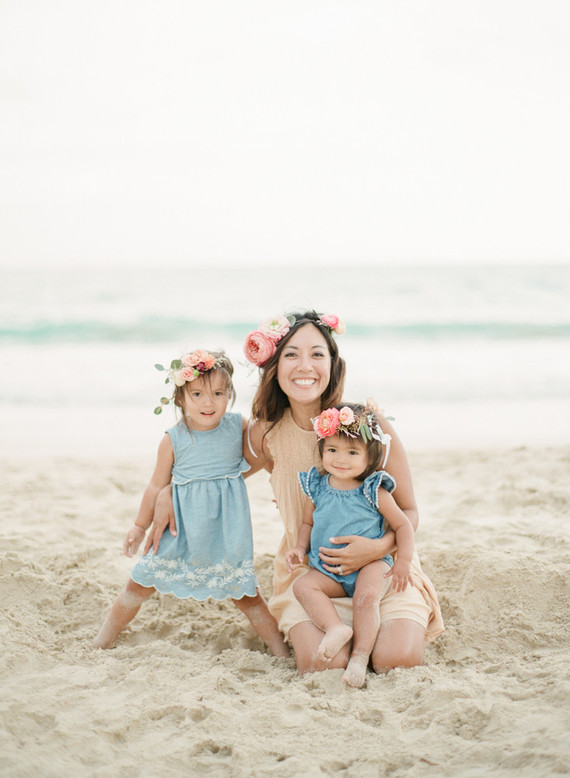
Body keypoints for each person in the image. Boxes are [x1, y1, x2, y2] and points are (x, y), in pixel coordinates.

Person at [146, 312, 444, 674]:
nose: (305, 366)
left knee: (396, 660)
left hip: (383, 570)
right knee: (325, 665)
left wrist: (380, 547)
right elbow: (206, 465)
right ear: (274, 365)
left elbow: (410, 511)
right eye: (291, 354)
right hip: (310, 573)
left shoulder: (368, 428)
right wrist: (166, 491)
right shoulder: (264, 435)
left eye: (317, 354)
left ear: (333, 365)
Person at [93, 348, 289, 657]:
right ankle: (101, 642)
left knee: (248, 595)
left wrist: (280, 484)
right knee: (139, 584)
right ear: (181, 399)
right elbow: (156, 485)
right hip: (179, 529)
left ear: (230, 395)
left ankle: (281, 652)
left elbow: (265, 455)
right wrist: (139, 526)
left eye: (217, 393)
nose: (207, 402)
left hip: (227, 530)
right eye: (196, 394)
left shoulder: (237, 426)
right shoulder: (174, 438)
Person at [286, 401, 415, 687]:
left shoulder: (373, 489)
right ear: (322, 451)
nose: (340, 459)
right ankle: (335, 629)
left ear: (369, 458)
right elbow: (308, 523)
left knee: (366, 597)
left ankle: (359, 656)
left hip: (370, 564)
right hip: (329, 570)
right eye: (332, 450)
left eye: (352, 452)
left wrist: (403, 560)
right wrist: (298, 547)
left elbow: (403, 524)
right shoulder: (317, 485)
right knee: (303, 586)